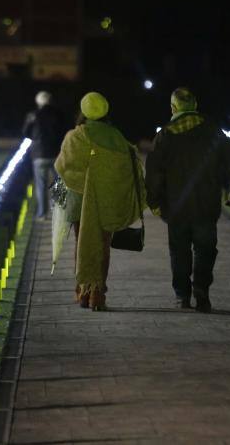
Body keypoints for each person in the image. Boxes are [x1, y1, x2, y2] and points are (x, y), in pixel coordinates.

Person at [145, 87, 230, 313]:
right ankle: (201, 290)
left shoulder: (166, 135)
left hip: (176, 206)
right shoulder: (212, 130)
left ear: (173, 108)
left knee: (179, 251)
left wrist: (154, 201)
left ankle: (182, 295)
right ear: (195, 106)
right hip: (207, 204)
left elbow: (154, 172)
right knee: (206, 249)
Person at [55, 92, 145, 311]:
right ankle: (98, 292)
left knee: (82, 241)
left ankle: (83, 290)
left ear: (83, 111)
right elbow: (127, 169)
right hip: (107, 199)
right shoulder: (116, 137)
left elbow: (63, 167)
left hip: (79, 198)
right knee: (103, 244)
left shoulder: (75, 136)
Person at [22, 91, 67, 220]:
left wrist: (35, 138)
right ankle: (60, 214)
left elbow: (25, 132)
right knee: (58, 184)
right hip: (56, 154)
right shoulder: (58, 114)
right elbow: (65, 131)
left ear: (38, 102)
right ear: (50, 101)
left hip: (39, 154)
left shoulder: (33, 115)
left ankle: (42, 214)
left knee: (41, 185)